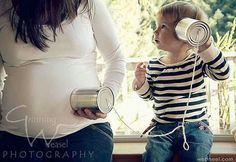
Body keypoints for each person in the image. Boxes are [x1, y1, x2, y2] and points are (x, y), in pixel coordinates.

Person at [0, 0, 125, 162]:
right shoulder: (3, 6)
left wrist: (106, 100)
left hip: (84, 134)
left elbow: (116, 59)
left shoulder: (88, 4)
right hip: (15, 139)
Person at [133, 1, 230, 162]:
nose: (155, 31)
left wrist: (207, 47)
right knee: (153, 156)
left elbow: (223, 74)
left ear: (184, 32)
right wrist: (141, 82)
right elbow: (148, 96)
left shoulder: (198, 61)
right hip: (162, 129)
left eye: (163, 26)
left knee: (197, 155)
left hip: (196, 127)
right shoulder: (155, 65)